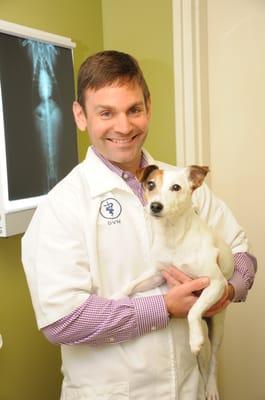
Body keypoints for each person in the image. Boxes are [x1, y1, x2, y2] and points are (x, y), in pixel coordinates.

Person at [22, 50, 256, 400]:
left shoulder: (180, 183)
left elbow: (241, 252)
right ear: (80, 116)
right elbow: (62, 320)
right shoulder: (62, 206)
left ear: (148, 106)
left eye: (134, 109)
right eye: (106, 113)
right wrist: (163, 308)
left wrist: (227, 290)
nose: (124, 126)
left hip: (190, 389)